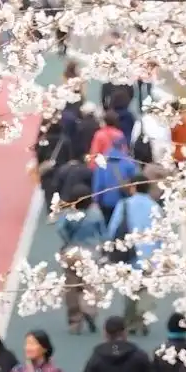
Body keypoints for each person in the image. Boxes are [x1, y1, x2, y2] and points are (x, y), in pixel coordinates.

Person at [106, 179, 160, 335]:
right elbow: (162, 235)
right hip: (150, 256)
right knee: (146, 290)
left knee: (129, 290)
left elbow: (113, 229)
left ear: (133, 187)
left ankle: (130, 321)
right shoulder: (155, 207)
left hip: (129, 254)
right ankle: (143, 317)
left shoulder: (123, 205)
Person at [55, 190, 104, 334]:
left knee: (71, 285)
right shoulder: (95, 214)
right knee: (90, 285)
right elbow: (104, 233)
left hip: (72, 251)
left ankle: (74, 318)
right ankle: (89, 310)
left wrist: (67, 241)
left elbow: (60, 229)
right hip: (91, 253)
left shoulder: (68, 214)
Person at [90, 135, 139, 224]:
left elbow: (98, 184)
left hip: (106, 202)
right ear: (123, 146)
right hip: (124, 201)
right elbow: (137, 180)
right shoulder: (129, 162)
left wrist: (96, 200)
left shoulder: (102, 162)